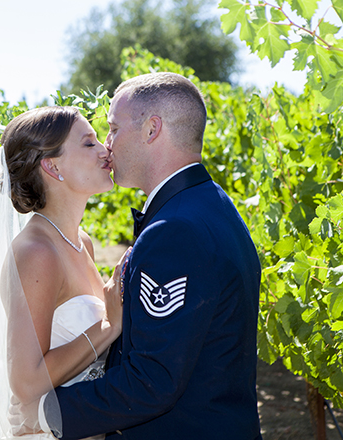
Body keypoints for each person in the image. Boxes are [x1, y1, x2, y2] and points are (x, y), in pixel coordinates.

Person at [14, 72, 262, 439]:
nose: (107, 147)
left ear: (151, 129)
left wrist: (48, 414)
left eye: (112, 129)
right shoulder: (213, 205)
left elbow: (153, 380)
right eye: (95, 139)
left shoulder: (176, 230)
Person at [0, 106, 128, 439]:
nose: (106, 149)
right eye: (88, 143)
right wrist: (109, 326)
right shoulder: (36, 253)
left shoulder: (81, 242)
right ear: (52, 166)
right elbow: (27, 380)